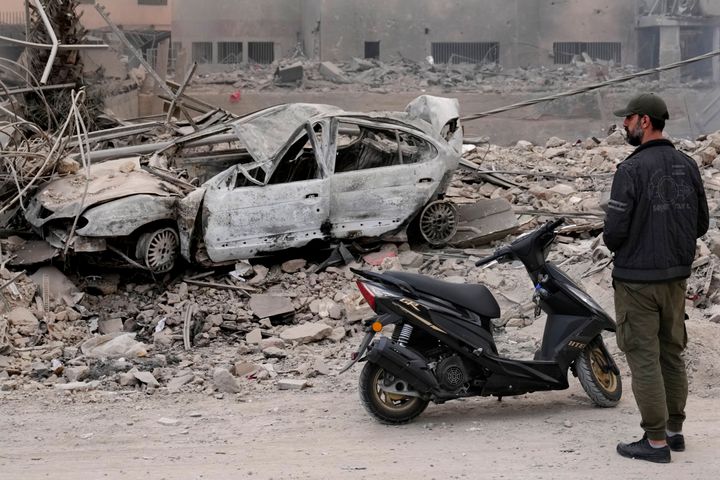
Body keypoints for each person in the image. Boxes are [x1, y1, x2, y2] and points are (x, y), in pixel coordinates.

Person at [604, 93, 709, 463]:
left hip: (637, 281)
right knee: (671, 353)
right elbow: (702, 224)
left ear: (644, 121)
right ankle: (674, 432)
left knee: (644, 357)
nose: (624, 125)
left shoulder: (630, 171)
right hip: (676, 279)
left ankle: (655, 442)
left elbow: (613, 232)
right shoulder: (688, 165)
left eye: (629, 119)